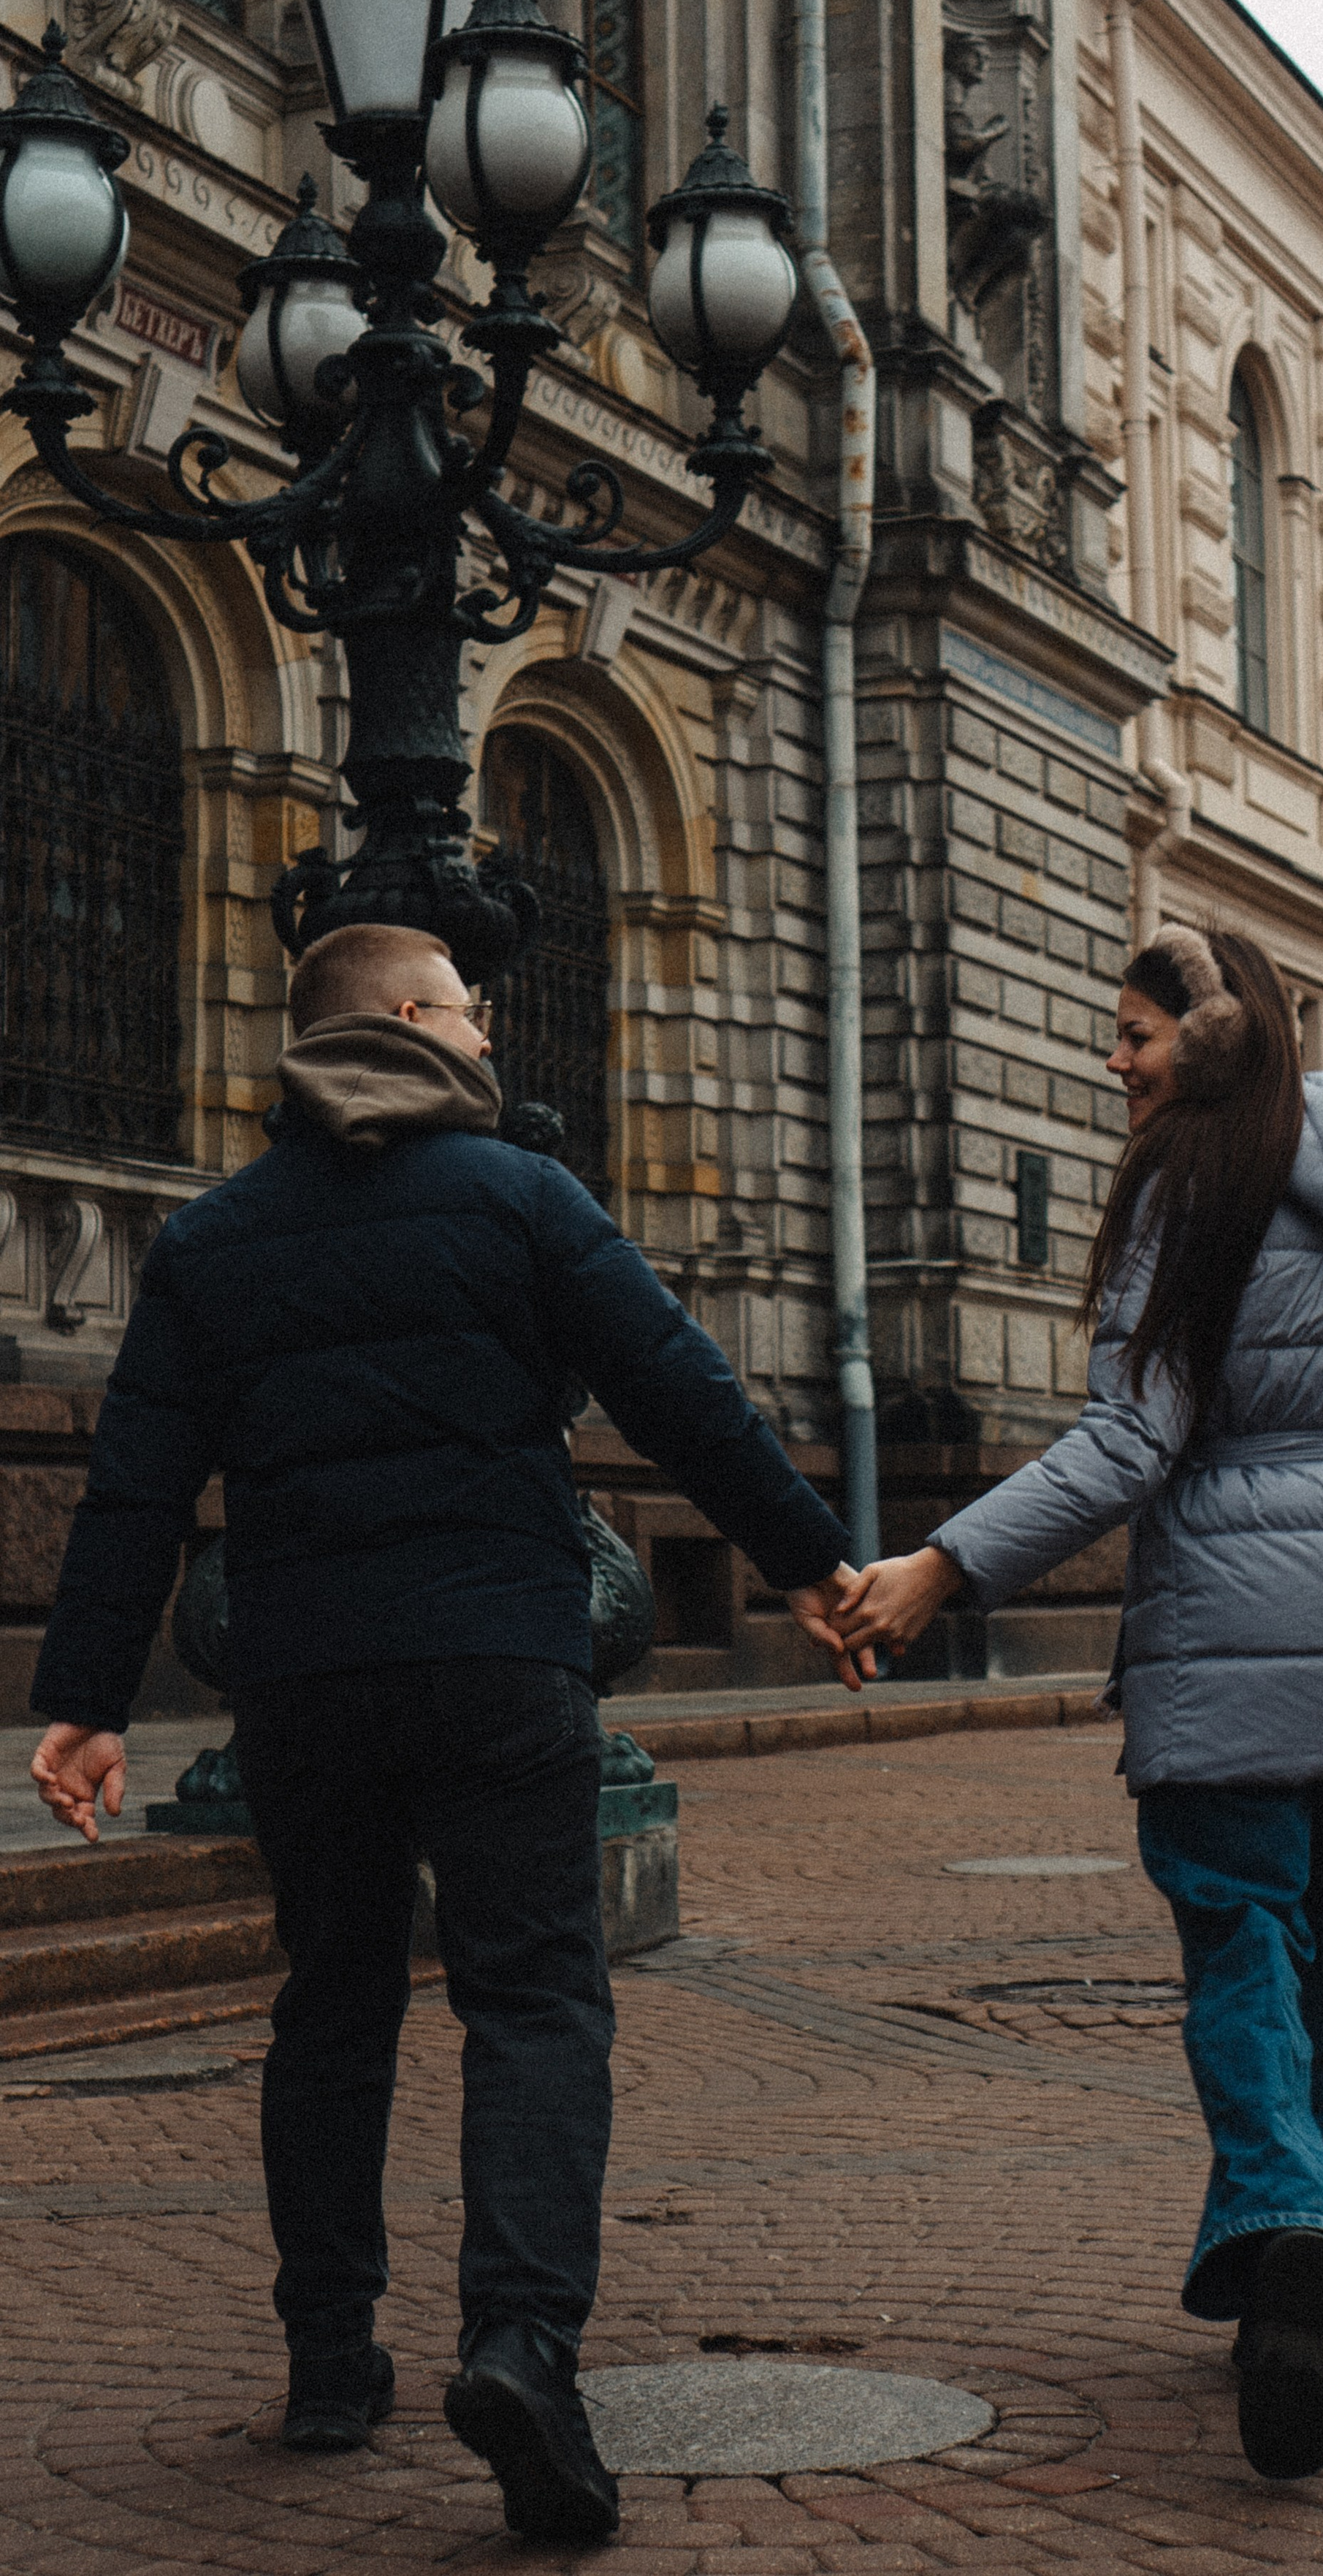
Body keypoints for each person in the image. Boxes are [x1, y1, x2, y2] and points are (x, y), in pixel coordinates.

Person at [28, 922, 869, 2545]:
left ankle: (329, 2363)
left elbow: (135, 1485)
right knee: (534, 1998)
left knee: (331, 2006)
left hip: (305, 1678)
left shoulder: (213, 1239)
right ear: (414, 1019)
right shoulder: (523, 1198)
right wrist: (813, 1567)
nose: (490, 1036)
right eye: (473, 1013)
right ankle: (520, 2347)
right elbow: (682, 1392)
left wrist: (86, 1702)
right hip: (498, 1657)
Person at [834, 922, 1323, 2483]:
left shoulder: (1187, 1180)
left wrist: (941, 1566)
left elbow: (1131, 1442)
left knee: (1242, 1945)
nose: (1113, 1062)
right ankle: (1279, 2284)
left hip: (1231, 1633)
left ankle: (1283, 2220)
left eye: (1133, 1034)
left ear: (1212, 1033)